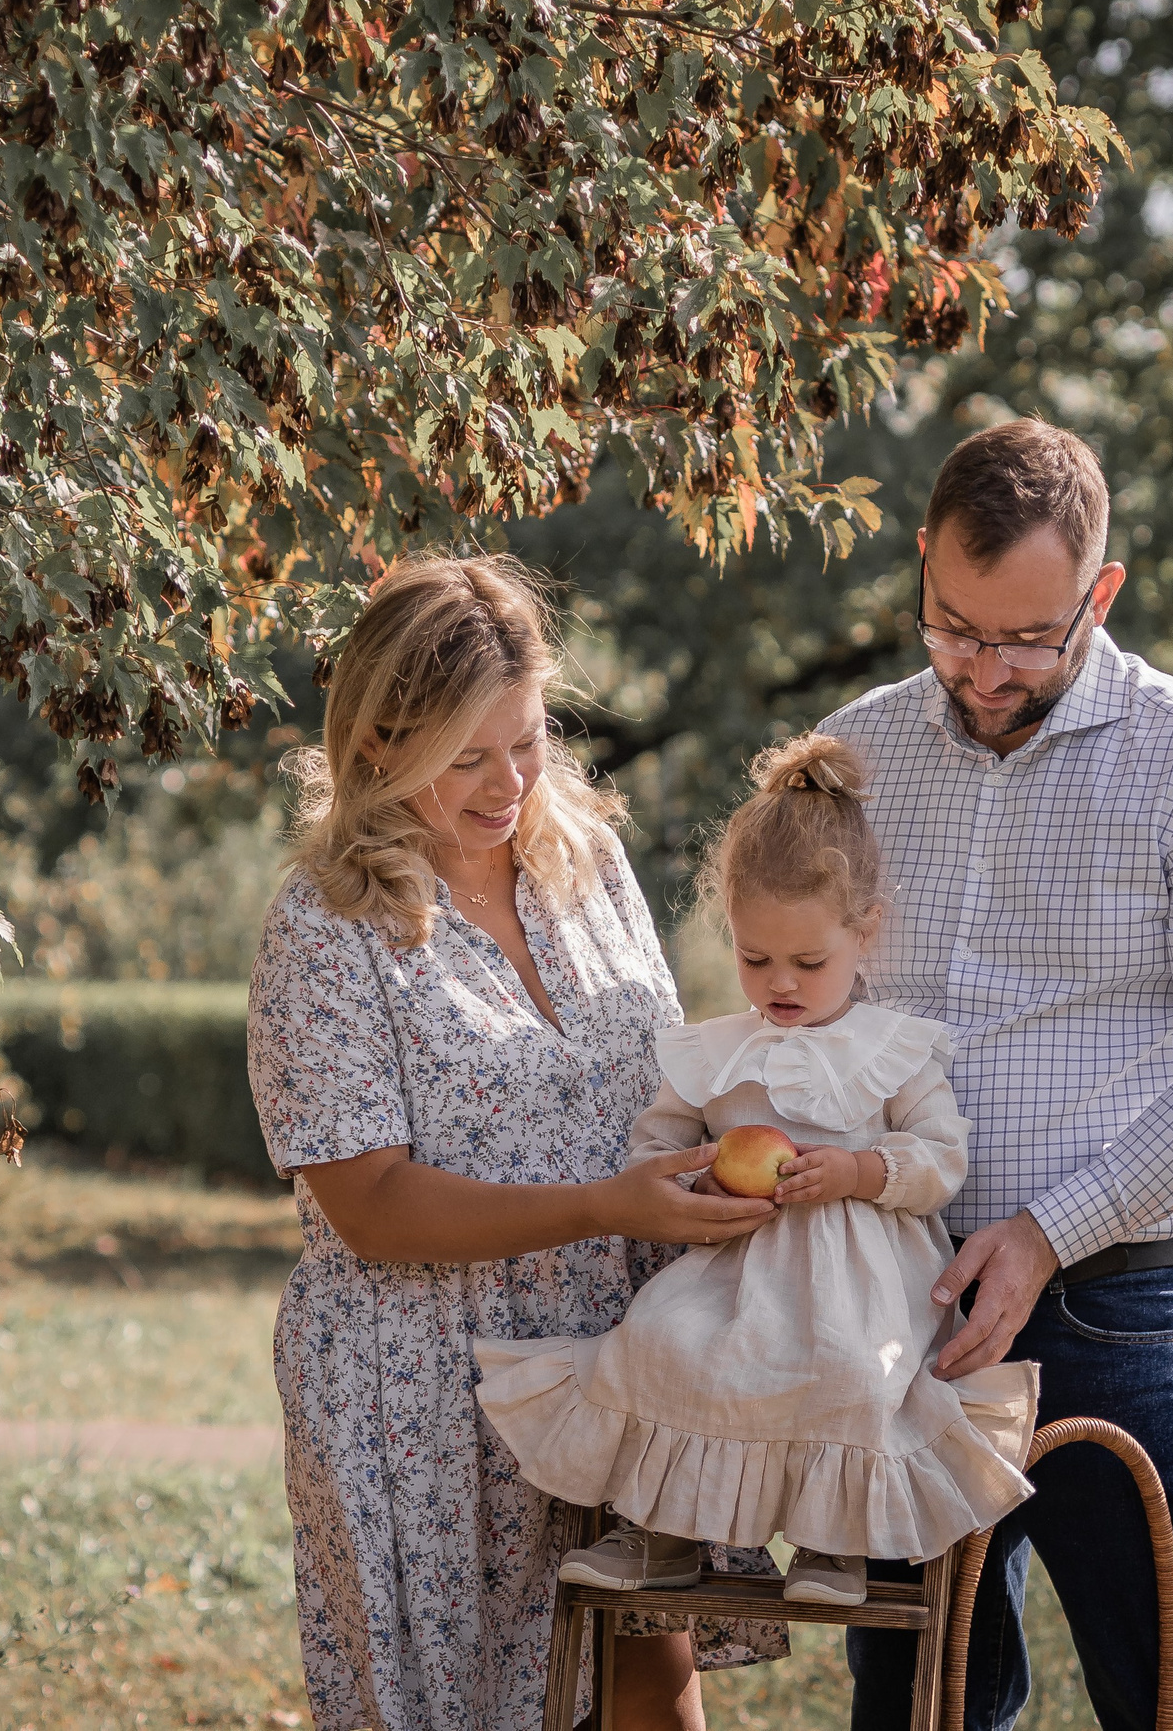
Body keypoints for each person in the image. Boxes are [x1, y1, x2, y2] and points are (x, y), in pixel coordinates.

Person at [825, 419, 1173, 1730]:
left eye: (1030, 637)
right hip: (905, 1312)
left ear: (1099, 594)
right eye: (955, 626)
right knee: (921, 1714)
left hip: (1121, 1312)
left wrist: (1048, 1234)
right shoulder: (851, 756)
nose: (986, 671)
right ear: (923, 561)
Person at [245, 552, 788, 1731]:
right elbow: (370, 1202)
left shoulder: (584, 861)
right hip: (428, 1389)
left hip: (617, 1350)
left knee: (651, 1675)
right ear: (381, 740)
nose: (508, 782)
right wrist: (607, 1204)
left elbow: (662, 1064)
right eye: (467, 754)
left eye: (527, 739)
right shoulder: (329, 923)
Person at [471, 731, 1040, 1606]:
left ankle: (833, 1545)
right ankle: (659, 1539)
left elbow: (940, 1161)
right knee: (659, 1346)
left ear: (865, 931)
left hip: (857, 1286)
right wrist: (695, 1179)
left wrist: (857, 1172)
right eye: (754, 958)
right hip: (733, 1272)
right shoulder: (713, 1052)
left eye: (808, 963)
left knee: (854, 1375)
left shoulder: (892, 1049)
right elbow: (657, 1144)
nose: (780, 982)